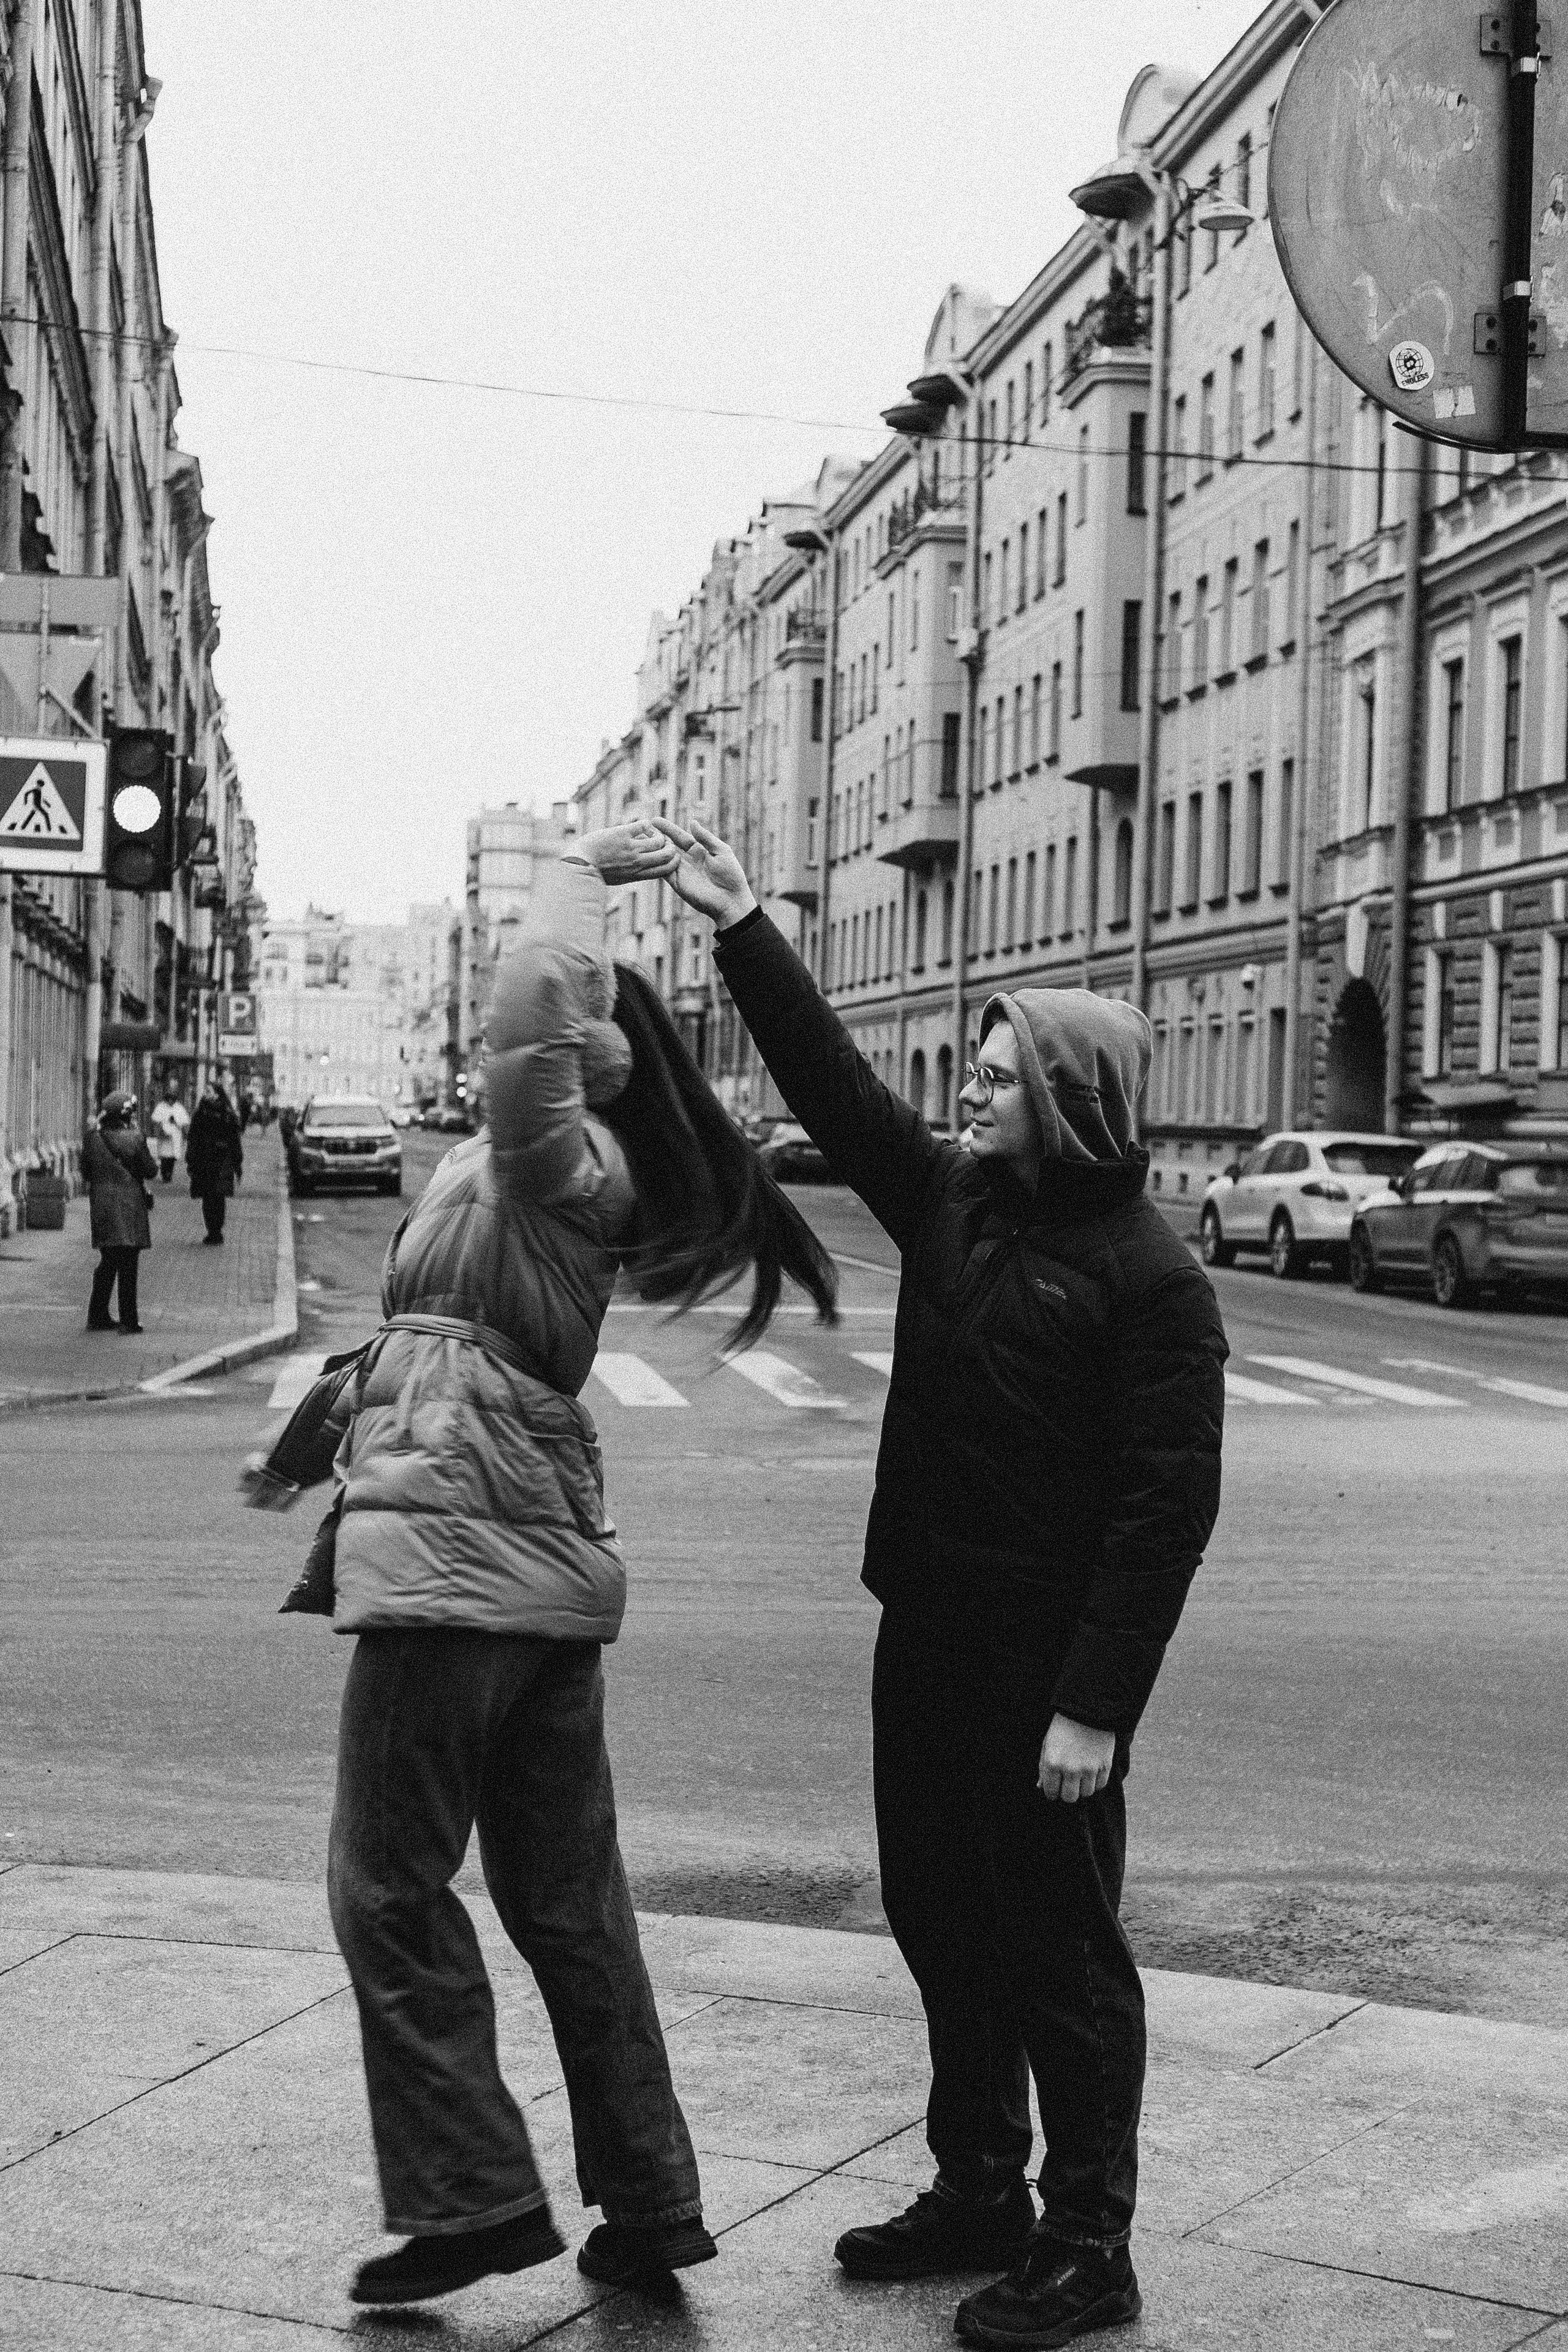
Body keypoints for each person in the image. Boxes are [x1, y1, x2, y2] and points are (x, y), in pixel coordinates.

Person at [656, 814, 1227, 2352]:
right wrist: (742, 925)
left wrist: (1094, 1706)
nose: (964, 1094)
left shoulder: (1153, 1282)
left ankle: (1088, 2244)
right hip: (925, 1632)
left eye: (991, 1078)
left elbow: (1163, 1515)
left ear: (1065, 1101)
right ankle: (978, 2186)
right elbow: (835, 1091)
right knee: (937, 1916)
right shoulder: (956, 1203)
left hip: (1046, 1671)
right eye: (968, 1074)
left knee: (1061, 1956)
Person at [320, 821, 838, 2313]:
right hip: (513, 1541)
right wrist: (312, 1445)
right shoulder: (527, 1165)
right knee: (564, 1898)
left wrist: (578, 867)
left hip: (462, 1549)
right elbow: (436, 1337)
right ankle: (652, 2200)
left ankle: (473, 2198)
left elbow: (529, 1002)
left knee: (385, 1883)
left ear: (591, 1047)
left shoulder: (563, 1158)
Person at [81, 1091, 157, 1334]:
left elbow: (85, 1172)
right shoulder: (135, 1138)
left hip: (102, 1207)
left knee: (108, 1261)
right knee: (128, 1265)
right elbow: (151, 1170)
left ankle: (97, 1315)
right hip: (129, 1207)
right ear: (127, 1115)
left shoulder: (92, 1138)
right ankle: (129, 1320)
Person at [186, 1077, 243, 1243]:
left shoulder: (227, 1114)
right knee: (207, 1197)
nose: (205, 1094)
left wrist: (237, 1163)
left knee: (218, 1197)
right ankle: (212, 1231)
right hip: (204, 1161)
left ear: (218, 1094)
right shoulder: (200, 1113)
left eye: (209, 1091)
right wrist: (191, 1159)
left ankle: (216, 1231)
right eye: (205, 1091)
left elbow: (235, 1141)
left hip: (222, 1161)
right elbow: (193, 1138)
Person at [148, 1076, 189, 1185]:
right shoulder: (161, 1106)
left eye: (173, 1100)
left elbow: (185, 1121)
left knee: (172, 1157)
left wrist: (176, 1121)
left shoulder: (179, 1108)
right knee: (164, 1156)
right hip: (164, 1134)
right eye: (169, 1099)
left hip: (175, 1135)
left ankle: (169, 1174)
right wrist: (160, 1127)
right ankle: (164, 1173)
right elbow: (155, 1119)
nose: (171, 1102)